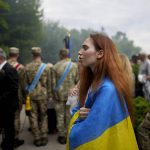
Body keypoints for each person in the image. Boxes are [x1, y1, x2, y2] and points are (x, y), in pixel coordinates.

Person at [67, 33, 138, 150]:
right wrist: (82, 114)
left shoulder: (107, 89)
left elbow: (84, 135)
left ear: (100, 53)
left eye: (85, 48)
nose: (79, 52)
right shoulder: (94, 82)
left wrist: (84, 117)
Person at [25, 47, 52, 147]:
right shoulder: (46, 67)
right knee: (44, 115)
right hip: (43, 95)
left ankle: (37, 138)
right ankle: (44, 136)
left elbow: (25, 83)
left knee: (33, 116)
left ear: (32, 55)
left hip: (31, 95)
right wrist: (49, 94)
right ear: (40, 55)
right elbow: (49, 82)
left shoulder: (27, 67)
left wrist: (25, 95)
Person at [53, 48, 79, 144]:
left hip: (59, 94)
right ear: (68, 55)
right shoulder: (73, 66)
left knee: (60, 115)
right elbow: (77, 80)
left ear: (60, 55)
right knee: (70, 114)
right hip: (71, 95)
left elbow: (53, 83)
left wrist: (53, 94)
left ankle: (61, 136)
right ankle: (69, 133)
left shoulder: (55, 66)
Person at [0, 48, 19, 150]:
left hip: (8, 106)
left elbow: (14, 88)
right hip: (2, 105)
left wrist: (2, 98)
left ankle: (8, 146)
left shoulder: (10, 69)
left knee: (8, 129)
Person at [8, 47, 25, 148]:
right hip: (16, 95)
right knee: (16, 117)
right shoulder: (20, 67)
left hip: (4, 95)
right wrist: (24, 96)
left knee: (5, 116)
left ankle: (6, 138)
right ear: (17, 55)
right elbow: (22, 84)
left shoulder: (2, 65)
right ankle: (15, 138)